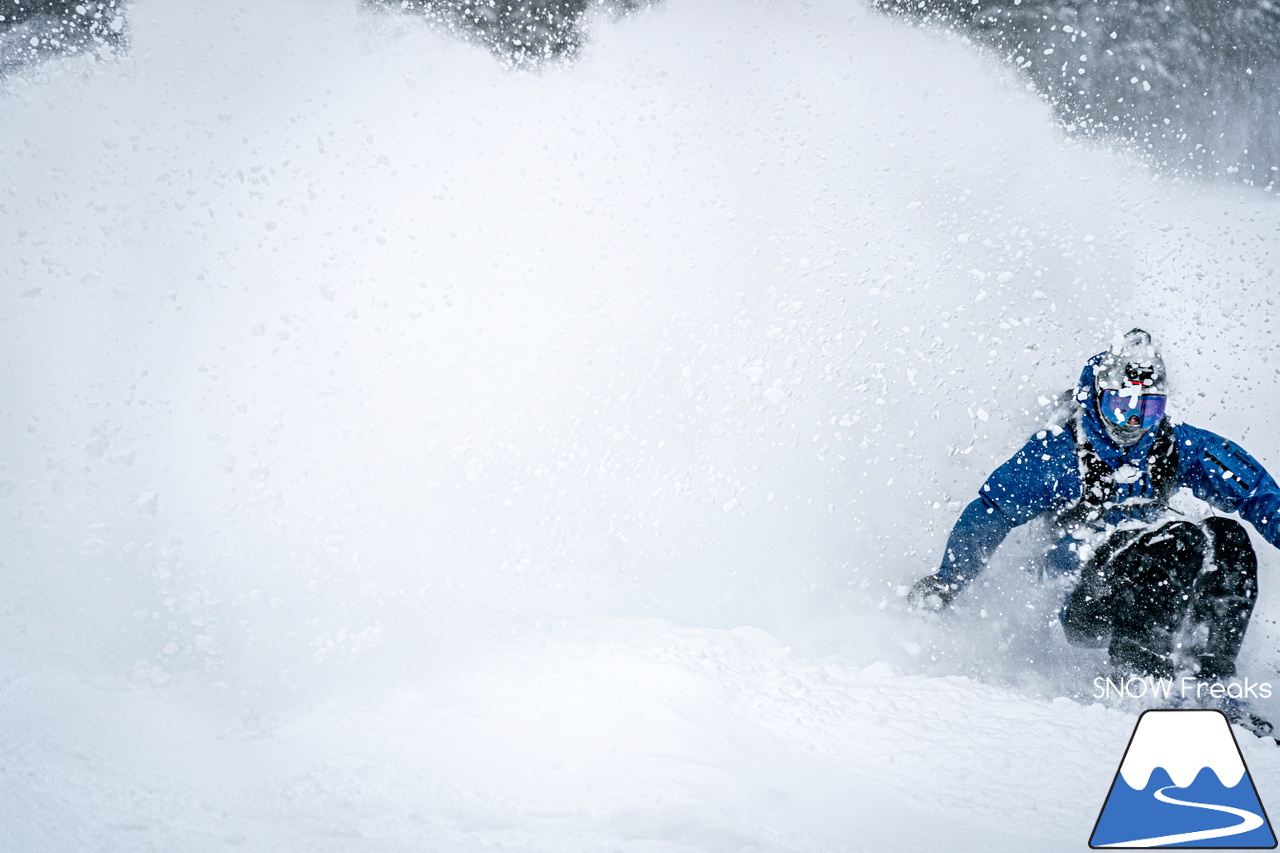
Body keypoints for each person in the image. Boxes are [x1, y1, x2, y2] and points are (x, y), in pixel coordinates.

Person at [909, 329, 1280, 691]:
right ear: (1097, 399)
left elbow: (1258, 495)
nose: (1134, 424)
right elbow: (992, 512)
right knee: (1177, 541)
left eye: (1148, 409)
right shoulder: (1058, 451)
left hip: (1156, 571)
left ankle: (1209, 678)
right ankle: (1141, 678)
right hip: (1083, 595)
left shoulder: (1174, 444)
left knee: (1227, 538)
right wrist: (948, 580)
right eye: (1122, 407)